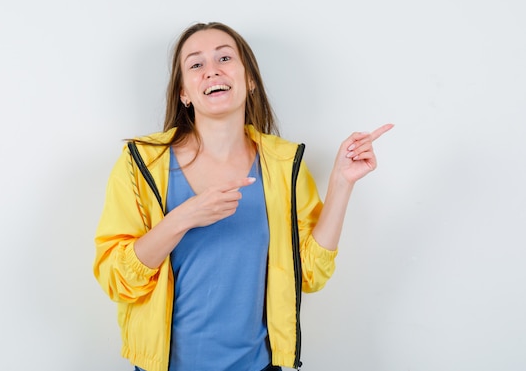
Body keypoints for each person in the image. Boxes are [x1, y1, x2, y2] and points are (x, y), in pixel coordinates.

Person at [93, 22, 393, 371]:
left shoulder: (284, 164)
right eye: (195, 64)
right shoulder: (142, 163)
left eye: (224, 58)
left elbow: (308, 273)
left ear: (249, 79)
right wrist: (183, 217)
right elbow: (117, 278)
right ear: (183, 93)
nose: (212, 71)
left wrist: (342, 183)